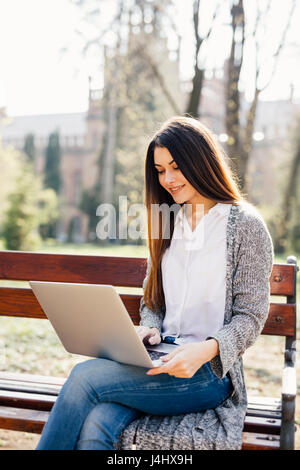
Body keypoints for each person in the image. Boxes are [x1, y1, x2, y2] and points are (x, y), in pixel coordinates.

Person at [36, 116, 274, 450]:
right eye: (161, 170)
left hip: (207, 372)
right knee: (96, 426)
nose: (168, 179)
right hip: (158, 357)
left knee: (84, 377)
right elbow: (153, 301)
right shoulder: (168, 220)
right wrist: (148, 329)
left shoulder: (245, 226)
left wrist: (206, 350)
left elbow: (250, 316)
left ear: (201, 162)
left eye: (176, 167)